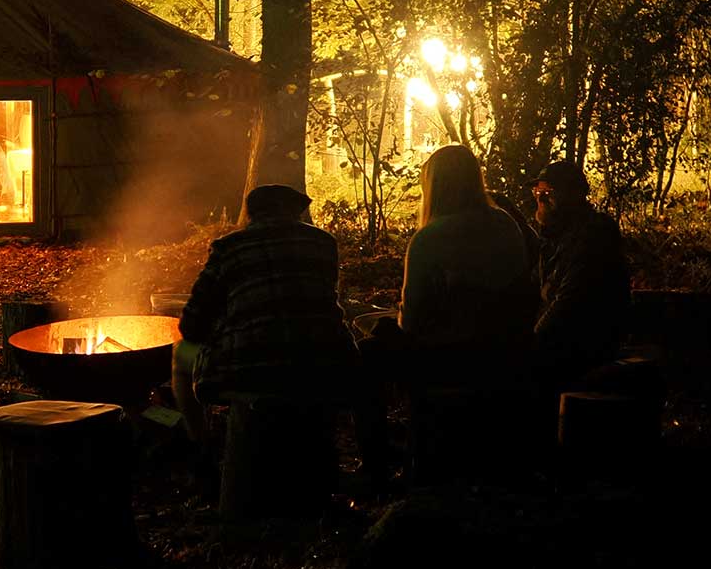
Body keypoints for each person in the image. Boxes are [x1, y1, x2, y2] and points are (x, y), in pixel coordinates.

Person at [172, 185, 362, 495]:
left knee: (182, 354)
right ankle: (372, 469)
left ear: (251, 215)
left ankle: (202, 449)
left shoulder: (228, 248)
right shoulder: (323, 243)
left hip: (250, 371)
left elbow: (192, 326)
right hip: (326, 365)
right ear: (296, 212)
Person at [389, 144, 539, 384]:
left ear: (433, 186)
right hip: (510, 350)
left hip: (452, 358)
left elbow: (411, 320)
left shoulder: (429, 238)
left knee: (369, 350)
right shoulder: (505, 223)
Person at [529, 159, 631, 392]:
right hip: (560, 342)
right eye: (538, 191)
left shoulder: (592, 235)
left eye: (549, 192)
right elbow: (535, 287)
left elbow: (568, 303)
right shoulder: (553, 237)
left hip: (583, 346)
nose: (540, 199)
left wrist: (530, 343)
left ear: (575, 195)